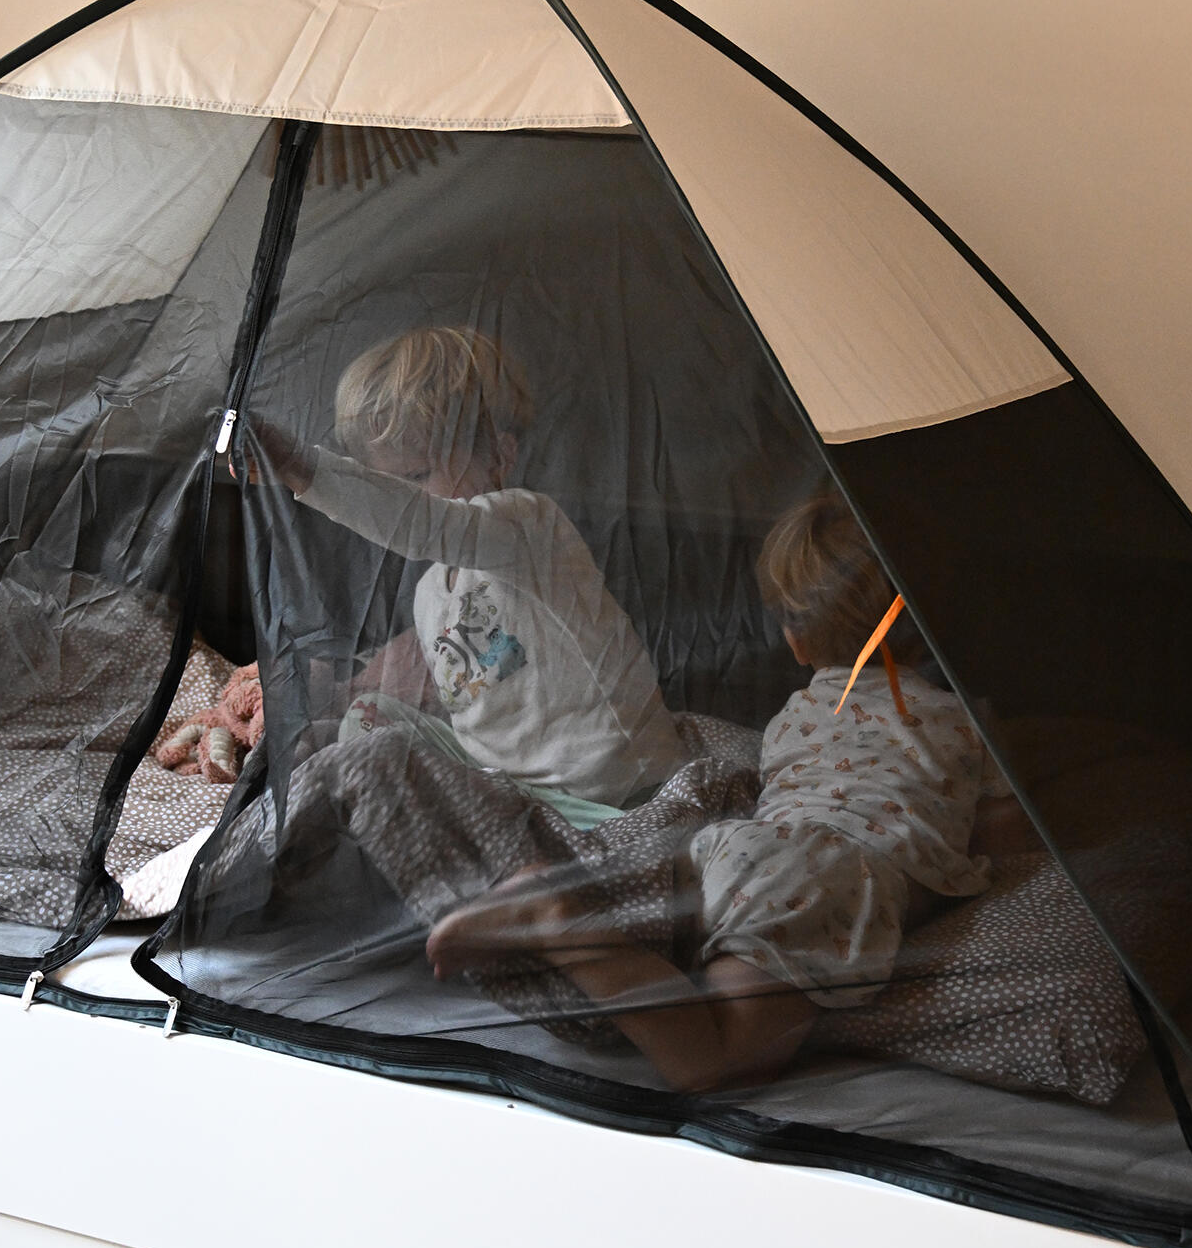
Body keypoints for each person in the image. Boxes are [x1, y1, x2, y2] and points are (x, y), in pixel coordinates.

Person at [426, 491, 1004, 1091]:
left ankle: (586, 905)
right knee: (717, 1061)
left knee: (696, 985)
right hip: (828, 880)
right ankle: (561, 921)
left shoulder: (795, 716)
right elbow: (999, 832)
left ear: (797, 641)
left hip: (739, 848)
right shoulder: (966, 723)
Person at [245, 326, 688, 820]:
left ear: (499, 456)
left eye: (416, 477)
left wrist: (300, 465)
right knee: (368, 721)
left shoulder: (525, 524)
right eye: (384, 483)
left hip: (609, 790)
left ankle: (515, 848)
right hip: (512, 795)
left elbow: (424, 523)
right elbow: (469, 707)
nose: (401, 498)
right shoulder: (430, 594)